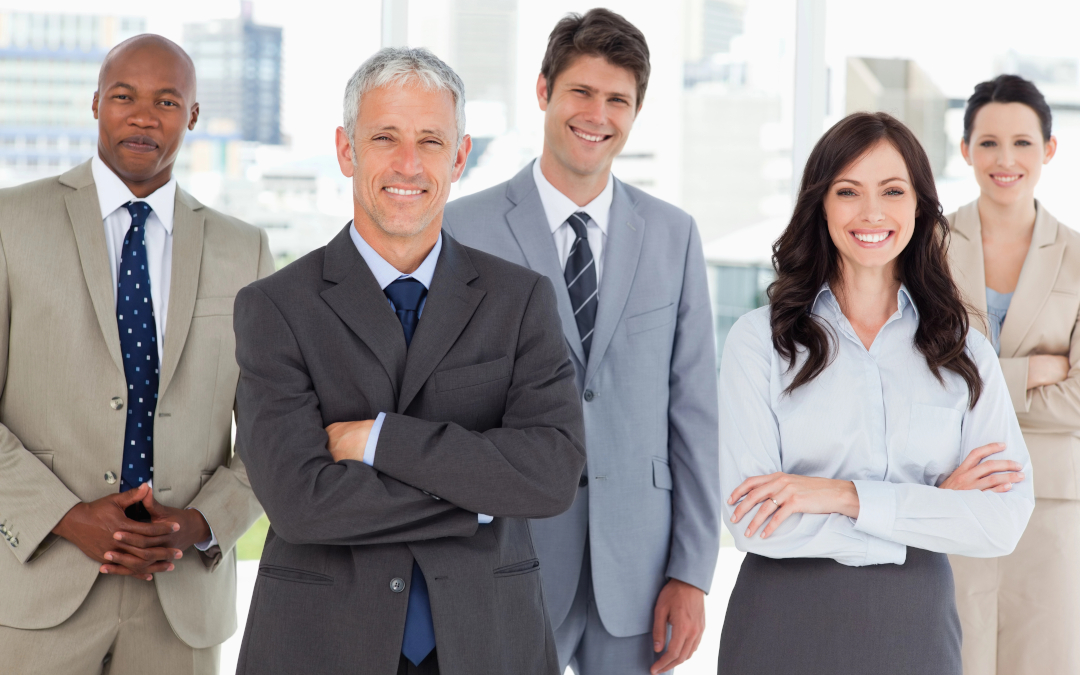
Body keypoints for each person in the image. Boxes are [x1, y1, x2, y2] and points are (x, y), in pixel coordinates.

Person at [232, 47, 586, 675]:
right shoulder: (275, 308)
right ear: (346, 150)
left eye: (429, 141)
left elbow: (551, 474)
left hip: (489, 639)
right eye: (385, 137)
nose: (407, 164)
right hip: (322, 644)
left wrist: (378, 442)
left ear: (459, 155)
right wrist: (480, 498)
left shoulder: (521, 300)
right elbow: (299, 502)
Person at [444, 9, 719, 675]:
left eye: (617, 100)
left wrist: (692, 570)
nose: (598, 114)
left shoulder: (673, 235)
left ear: (636, 111)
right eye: (582, 92)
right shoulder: (462, 228)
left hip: (639, 567)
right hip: (506, 553)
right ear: (544, 92)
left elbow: (695, 413)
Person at [716, 112, 1034, 675]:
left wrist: (839, 495)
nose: (871, 213)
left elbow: (1000, 523)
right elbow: (754, 522)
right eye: (847, 191)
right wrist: (934, 503)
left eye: (892, 190)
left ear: (919, 206)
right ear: (821, 205)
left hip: (914, 629)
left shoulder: (964, 351)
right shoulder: (759, 343)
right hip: (780, 628)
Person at [0, 35, 271, 674]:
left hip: (182, 604)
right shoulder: (10, 225)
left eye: (167, 100)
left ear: (194, 116)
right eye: (124, 96)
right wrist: (64, 517)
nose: (143, 115)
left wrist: (203, 523)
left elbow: (272, 425)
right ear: (96, 103)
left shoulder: (245, 251)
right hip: (39, 590)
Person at [946, 74, 1080, 674]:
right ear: (966, 150)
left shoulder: (1078, 256)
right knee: (952, 657)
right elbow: (911, 379)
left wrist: (975, 385)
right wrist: (1030, 372)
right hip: (950, 488)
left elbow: (1078, 402)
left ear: (1049, 149)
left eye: (1023, 143)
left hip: (1051, 505)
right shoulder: (924, 247)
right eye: (989, 143)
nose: (1006, 160)